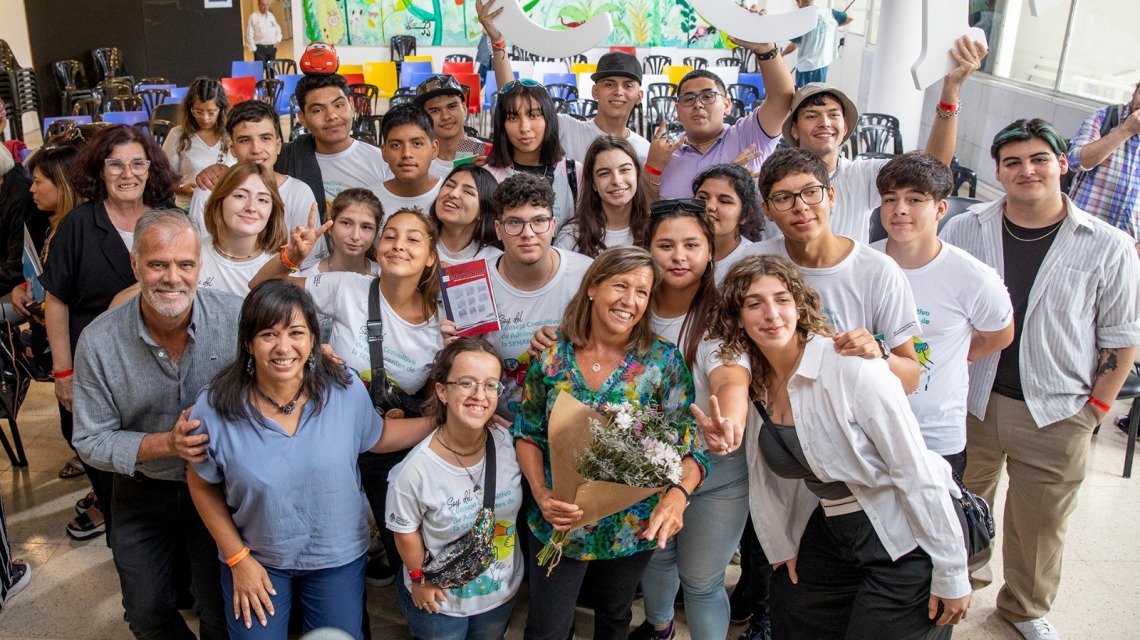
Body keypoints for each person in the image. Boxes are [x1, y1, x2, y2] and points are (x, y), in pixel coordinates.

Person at [940, 118, 1140, 640]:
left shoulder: (1109, 245)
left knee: (1041, 522)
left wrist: (1096, 411)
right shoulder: (966, 229)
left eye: (1039, 159)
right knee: (959, 503)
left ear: (1062, 164)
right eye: (1013, 162)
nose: (1027, 170)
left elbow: (1121, 338)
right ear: (999, 172)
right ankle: (958, 584)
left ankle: (1024, 607)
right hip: (971, 399)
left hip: (1057, 407)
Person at [703, 254, 971, 639]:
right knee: (791, 612)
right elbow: (769, 480)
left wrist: (952, 569)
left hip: (901, 529)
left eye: (781, 299)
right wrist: (783, 545)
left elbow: (914, 467)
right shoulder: (757, 384)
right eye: (754, 303)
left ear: (799, 304)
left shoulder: (849, 365)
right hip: (832, 531)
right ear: (737, 316)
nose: (771, 314)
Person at [187, 279, 435, 639]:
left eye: (296, 332)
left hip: (335, 556)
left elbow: (376, 436)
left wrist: (441, 421)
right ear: (248, 343)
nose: (283, 347)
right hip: (256, 556)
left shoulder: (344, 388)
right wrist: (238, 558)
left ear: (313, 339)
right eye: (268, 334)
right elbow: (201, 483)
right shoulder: (215, 406)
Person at [513, 246, 708, 640]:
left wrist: (677, 497)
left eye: (642, 292)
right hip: (558, 521)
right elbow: (528, 432)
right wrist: (541, 493)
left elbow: (689, 448)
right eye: (620, 285)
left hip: (630, 526)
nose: (630, 301)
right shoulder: (553, 356)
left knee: (615, 618)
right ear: (592, 288)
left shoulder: (662, 361)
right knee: (547, 627)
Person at [251, 205, 445, 588]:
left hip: (388, 444)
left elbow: (434, 394)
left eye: (412, 239)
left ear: (431, 257)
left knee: (400, 541)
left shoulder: (443, 320)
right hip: (325, 433)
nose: (398, 245)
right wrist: (292, 259)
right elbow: (261, 293)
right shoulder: (347, 286)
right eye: (390, 235)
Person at [71, 209, 231, 640]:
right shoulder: (99, 341)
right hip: (141, 489)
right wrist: (167, 443)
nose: (172, 278)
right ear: (135, 264)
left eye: (186, 264)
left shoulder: (237, 320)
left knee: (220, 610)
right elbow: (89, 439)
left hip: (219, 490)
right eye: (158, 264)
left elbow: (294, 345)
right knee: (145, 611)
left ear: (201, 266)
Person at [41, 125, 178, 541]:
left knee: (161, 467)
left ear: (150, 168)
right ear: (99, 171)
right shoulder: (79, 225)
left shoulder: (167, 217)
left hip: (158, 363)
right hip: (96, 364)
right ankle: (125, 540)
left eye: (138, 163)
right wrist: (64, 374)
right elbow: (57, 302)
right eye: (114, 163)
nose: (127, 173)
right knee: (108, 468)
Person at [631, 200, 753, 640]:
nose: (679, 257)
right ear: (646, 249)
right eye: (665, 245)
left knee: (701, 581)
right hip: (645, 464)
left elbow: (730, 380)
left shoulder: (722, 318)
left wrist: (729, 423)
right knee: (657, 557)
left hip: (716, 470)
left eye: (691, 245)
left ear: (709, 253)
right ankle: (659, 628)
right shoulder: (630, 307)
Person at [871, 152, 1014, 476]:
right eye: (890, 198)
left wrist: (959, 356)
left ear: (940, 208)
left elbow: (1000, 334)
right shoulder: (862, 263)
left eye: (915, 199)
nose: (900, 209)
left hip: (934, 437)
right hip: (866, 430)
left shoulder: (972, 277)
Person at [744, 147, 922, 393]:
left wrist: (878, 352)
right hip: (772, 416)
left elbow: (911, 379)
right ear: (767, 210)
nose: (801, 206)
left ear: (831, 196)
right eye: (784, 198)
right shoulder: (751, 262)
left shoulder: (878, 271)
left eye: (811, 192)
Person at [777, 36, 985, 243]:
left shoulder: (863, 175)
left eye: (833, 114)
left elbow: (933, 168)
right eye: (812, 116)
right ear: (794, 129)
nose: (824, 123)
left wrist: (950, 91)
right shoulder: (776, 181)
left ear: (846, 126)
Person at [387, 337, 524, 639]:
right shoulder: (413, 472)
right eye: (466, 383)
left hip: (499, 595)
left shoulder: (509, 444)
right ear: (442, 390)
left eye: (491, 385)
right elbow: (405, 531)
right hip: (441, 603)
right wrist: (418, 580)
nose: (480, 395)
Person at [456, 173, 592, 421]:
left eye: (538, 221)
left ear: (553, 225)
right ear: (498, 229)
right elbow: (465, 368)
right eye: (514, 223)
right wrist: (453, 347)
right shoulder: (472, 283)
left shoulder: (586, 275)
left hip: (573, 421)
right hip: (497, 424)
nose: (528, 233)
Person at [477, 0, 651, 165]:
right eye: (609, 84)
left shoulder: (644, 151)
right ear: (594, 91)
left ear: (639, 96)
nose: (618, 91)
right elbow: (511, 99)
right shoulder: (566, 129)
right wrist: (497, 42)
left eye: (628, 85)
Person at [649, 33, 795, 201]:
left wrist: (765, 49)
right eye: (688, 99)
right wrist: (652, 168)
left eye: (708, 96)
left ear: (727, 105)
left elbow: (781, 98)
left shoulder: (748, 136)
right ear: (677, 112)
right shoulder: (666, 157)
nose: (698, 104)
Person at [16, 144, 84, 479]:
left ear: (64, 183)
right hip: (56, 346)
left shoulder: (76, 234)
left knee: (79, 427)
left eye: (39, 180)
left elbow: (72, 300)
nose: (32, 188)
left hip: (74, 350)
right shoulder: (52, 226)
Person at [190, 99, 318, 242]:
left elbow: (309, 260)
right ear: (233, 149)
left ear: (278, 145)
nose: (256, 149)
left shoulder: (299, 192)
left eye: (265, 138)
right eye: (245, 140)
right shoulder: (208, 191)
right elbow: (196, 255)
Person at [482, 77, 576, 233]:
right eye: (513, 117)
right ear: (501, 125)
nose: (524, 127)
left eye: (534, 116)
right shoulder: (486, 175)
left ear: (549, 119)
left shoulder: (573, 172)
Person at [198, 162, 288, 297]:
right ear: (219, 200)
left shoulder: (280, 267)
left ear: (273, 210)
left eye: (262, 200)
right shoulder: (192, 255)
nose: (251, 207)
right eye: (240, 196)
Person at [1066, 81, 1140, 240]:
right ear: (1134, 92)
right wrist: (1126, 131)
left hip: (1128, 245)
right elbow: (1075, 161)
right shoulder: (1105, 116)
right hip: (1083, 233)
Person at [555, 136, 649, 257]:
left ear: (637, 173)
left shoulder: (654, 228)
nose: (617, 180)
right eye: (604, 173)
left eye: (624, 170)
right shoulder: (572, 235)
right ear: (593, 183)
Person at [164, 77, 234, 209]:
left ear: (221, 110)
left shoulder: (231, 135)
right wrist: (181, 189)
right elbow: (162, 178)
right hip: (189, 208)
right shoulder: (177, 135)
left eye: (211, 112)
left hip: (226, 208)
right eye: (198, 112)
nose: (205, 118)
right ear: (190, 109)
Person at [692, 163, 765, 285]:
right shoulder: (678, 250)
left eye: (724, 201)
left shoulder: (755, 262)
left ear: (745, 214)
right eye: (702, 197)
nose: (709, 206)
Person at [413, 75, 490, 178]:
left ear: (465, 109)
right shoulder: (416, 159)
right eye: (435, 111)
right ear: (423, 118)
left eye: (452, 106)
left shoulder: (487, 155)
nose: (445, 116)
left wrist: (490, 173)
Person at [377, 103, 444, 219]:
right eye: (395, 145)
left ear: (434, 149)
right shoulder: (369, 202)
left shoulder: (450, 196)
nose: (406, 154)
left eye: (417, 144)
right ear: (384, 152)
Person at [429, 164, 503, 265]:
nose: (453, 193)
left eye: (468, 192)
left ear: (483, 211)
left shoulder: (497, 262)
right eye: (450, 185)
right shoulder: (415, 246)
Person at [301, 188, 381, 277]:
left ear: (375, 233)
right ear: (330, 226)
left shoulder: (385, 276)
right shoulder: (307, 278)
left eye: (366, 227)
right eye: (346, 223)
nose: (355, 236)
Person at [781, 0, 853, 87]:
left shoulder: (801, 20)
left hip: (806, 66)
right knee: (818, 92)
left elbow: (793, 45)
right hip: (823, 64)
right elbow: (850, 18)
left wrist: (781, 54)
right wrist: (833, 26)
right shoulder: (829, 13)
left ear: (800, 2)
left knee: (804, 94)